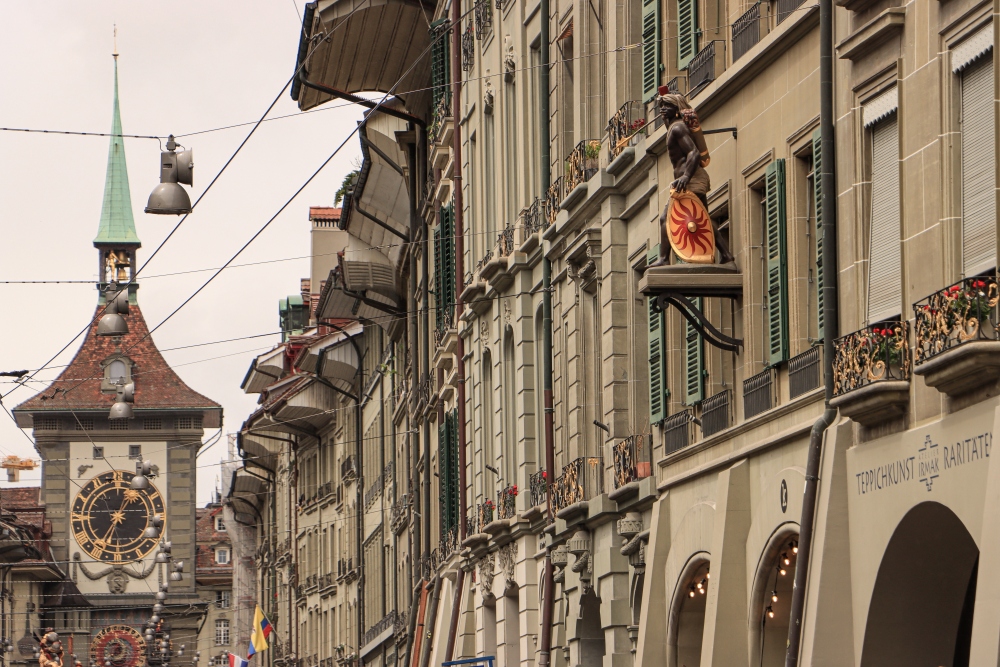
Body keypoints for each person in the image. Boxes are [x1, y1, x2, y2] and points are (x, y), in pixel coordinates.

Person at [650, 89, 735, 266]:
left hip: (691, 180)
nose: (663, 109)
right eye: (662, 106)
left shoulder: (678, 128)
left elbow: (693, 153)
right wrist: (663, 98)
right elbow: (668, 122)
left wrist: (686, 176)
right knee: (703, 217)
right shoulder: (673, 127)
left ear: (677, 109)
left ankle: (664, 259)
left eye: (667, 106)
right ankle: (726, 255)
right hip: (689, 180)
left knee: (666, 218)